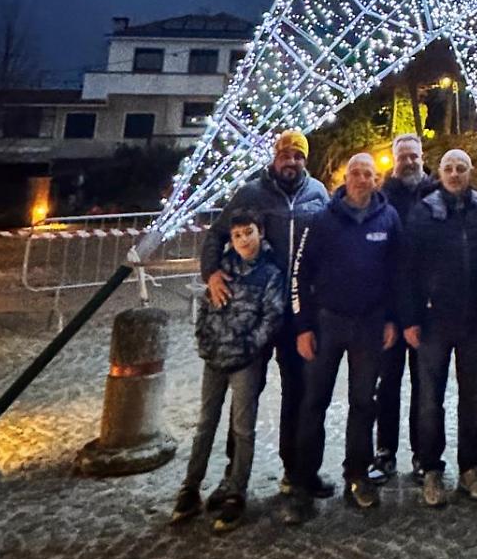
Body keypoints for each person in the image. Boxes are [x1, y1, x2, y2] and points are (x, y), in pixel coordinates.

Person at [199, 129, 330, 501]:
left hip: (297, 313)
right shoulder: (251, 193)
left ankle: (297, 471)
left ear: (306, 160)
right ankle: (232, 477)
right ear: (274, 158)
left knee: (298, 393)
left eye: (298, 156)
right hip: (251, 312)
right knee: (245, 395)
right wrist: (211, 273)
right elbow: (216, 234)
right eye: (285, 154)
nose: (291, 161)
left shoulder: (318, 194)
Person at [283, 152, 401, 523]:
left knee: (364, 403)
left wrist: (392, 320)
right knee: (313, 403)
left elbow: (399, 274)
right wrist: (303, 326)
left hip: (369, 325)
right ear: (345, 178)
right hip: (327, 324)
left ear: (375, 180)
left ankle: (357, 475)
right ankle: (302, 484)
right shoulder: (322, 220)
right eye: (355, 173)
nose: (361, 179)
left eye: (368, 173)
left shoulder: (390, 218)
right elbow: (299, 274)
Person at [172, 206, 286, 532]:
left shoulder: (270, 273)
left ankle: (237, 490)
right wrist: (205, 342)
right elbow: (206, 308)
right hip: (215, 359)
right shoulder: (222, 269)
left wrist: (251, 347)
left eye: (248, 233)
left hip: (244, 361)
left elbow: (272, 316)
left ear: (260, 232)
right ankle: (190, 487)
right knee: (205, 424)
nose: (243, 240)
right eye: (237, 235)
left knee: (243, 428)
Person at [402, 148, 477, 507]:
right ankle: (431, 468)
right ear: (439, 173)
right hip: (432, 322)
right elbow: (408, 270)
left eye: (461, 168)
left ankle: (469, 466)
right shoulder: (423, 212)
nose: (455, 173)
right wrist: (410, 318)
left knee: (472, 398)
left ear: (470, 172)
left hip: (473, 319)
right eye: (449, 168)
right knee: (430, 400)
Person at [373, 132, 436, 480]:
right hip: (391, 308)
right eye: (403, 157)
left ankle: (420, 451)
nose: (409, 161)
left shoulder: (435, 193)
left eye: (414, 156)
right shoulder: (382, 198)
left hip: (426, 307)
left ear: (422, 157)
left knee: (423, 385)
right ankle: (385, 451)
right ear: (394, 160)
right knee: (388, 382)